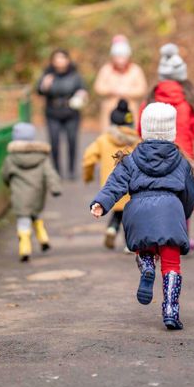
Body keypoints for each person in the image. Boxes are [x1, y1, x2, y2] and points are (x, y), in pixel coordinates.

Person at [90, 103, 194, 330]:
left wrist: (101, 203)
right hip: (170, 211)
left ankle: (147, 263)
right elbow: (190, 193)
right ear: (172, 131)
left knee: (144, 245)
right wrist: (183, 214)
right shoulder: (180, 160)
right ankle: (170, 310)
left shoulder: (130, 159)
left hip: (138, 212)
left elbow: (115, 184)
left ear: (142, 128)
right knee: (171, 264)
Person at [139, 43, 194, 170]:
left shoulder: (150, 100)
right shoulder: (192, 101)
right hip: (184, 161)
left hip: (152, 160)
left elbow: (141, 131)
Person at [82, 99, 141, 250]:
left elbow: (89, 157)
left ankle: (111, 229)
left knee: (117, 212)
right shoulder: (137, 141)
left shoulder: (103, 140)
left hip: (111, 186)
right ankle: (129, 244)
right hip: (132, 186)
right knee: (130, 216)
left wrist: (88, 176)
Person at [1, 122, 62, 262]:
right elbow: (50, 173)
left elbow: (5, 175)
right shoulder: (42, 157)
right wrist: (55, 187)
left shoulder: (11, 158)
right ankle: (43, 238)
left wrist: (8, 183)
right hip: (37, 194)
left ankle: (25, 247)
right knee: (35, 215)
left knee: (23, 219)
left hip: (19, 195)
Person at [36, 49, 87, 179]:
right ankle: (56, 170)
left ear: (67, 60)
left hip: (71, 112)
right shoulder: (48, 75)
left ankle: (71, 170)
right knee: (54, 141)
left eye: (62, 58)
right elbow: (39, 91)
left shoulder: (75, 75)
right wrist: (44, 85)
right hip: (53, 112)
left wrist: (81, 94)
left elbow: (83, 89)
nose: (59, 61)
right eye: (56, 59)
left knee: (72, 140)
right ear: (52, 61)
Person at [93, 35, 148, 132]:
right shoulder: (106, 69)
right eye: (118, 56)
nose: (120, 60)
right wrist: (111, 90)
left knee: (130, 137)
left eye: (123, 56)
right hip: (110, 110)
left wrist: (128, 91)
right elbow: (98, 87)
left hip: (130, 110)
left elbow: (142, 89)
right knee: (108, 138)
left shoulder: (135, 70)